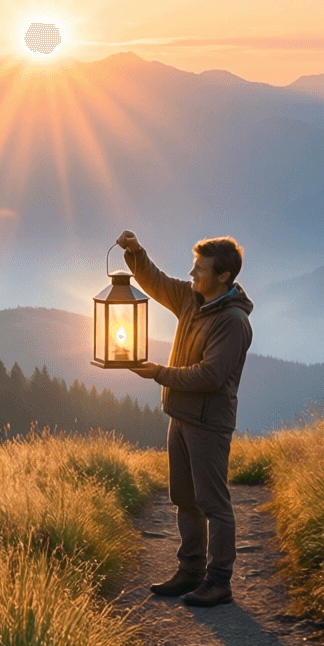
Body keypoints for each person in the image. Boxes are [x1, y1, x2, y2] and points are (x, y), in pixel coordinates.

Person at [114, 229, 253, 608]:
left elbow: (210, 376)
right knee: (184, 498)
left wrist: (159, 373)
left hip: (209, 423)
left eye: (200, 269)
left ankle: (219, 582)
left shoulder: (233, 322)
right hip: (180, 414)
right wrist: (135, 251)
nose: (192, 274)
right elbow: (156, 282)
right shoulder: (193, 300)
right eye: (193, 267)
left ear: (223, 276)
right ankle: (190, 571)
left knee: (213, 503)